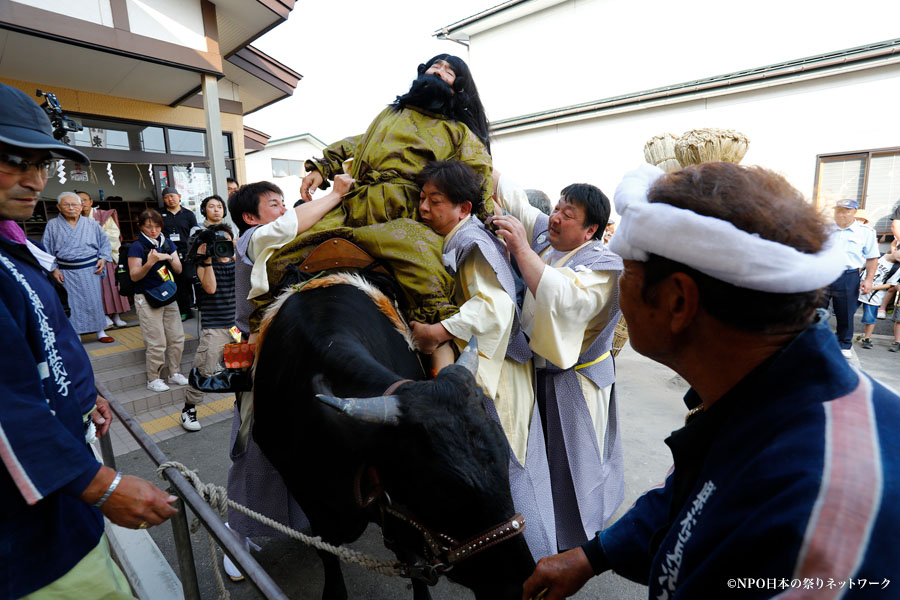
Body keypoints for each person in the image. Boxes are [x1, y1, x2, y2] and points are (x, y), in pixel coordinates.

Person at [522, 162, 900, 600]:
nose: (620, 289)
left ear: (678, 301)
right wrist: (594, 556)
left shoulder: (820, 514)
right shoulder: (756, 397)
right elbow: (698, 496)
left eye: (628, 272)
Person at [0, 80, 178, 599]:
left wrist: (83, 394)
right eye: (16, 160)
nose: (35, 181)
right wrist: (105, 485)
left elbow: (36, 348)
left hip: (62, 498)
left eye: (41, 165)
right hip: (28, 543)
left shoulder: (11, 245)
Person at [258, 55, 494, 332]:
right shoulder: (388, 115)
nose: (439, 71)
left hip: (406, 218)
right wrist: (323, 166)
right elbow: (357, 144)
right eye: (435, 66)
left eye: (449, 71)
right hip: (351, 211)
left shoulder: (459, 133)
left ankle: (440, 359)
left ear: (458, 89)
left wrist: (489, 218)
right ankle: (259, 339)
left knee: (428, 279)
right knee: (279, 258)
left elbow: (479, 175)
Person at [408, 161, 555, 560]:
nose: (423, 207)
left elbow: (494, 307)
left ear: (464, 207)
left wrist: (438, 332)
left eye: (434, 201)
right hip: (496, 361)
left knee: (510, 457)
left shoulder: (471, 243)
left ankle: (531, 559)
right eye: (421, 198)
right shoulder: (461, 237)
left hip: (500, 370)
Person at [222, 175, 353, 580]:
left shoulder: (282, 242)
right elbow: (289, 224)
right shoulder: (252, 240)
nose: (285, 209)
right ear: (249, 217)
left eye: (283, 201)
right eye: (274, 203)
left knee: (306, 440)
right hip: (260, 352)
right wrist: (335, 195)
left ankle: (299, 517)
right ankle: (235, 533)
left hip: (296, 352)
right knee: (256, 442)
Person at [492, 176, 623, 552]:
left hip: (578, 379)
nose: (556, 217)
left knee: (577, 468)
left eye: (569, 213)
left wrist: (519, 249)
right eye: (557, 208)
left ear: (590, 230)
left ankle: (581, 543)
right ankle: (543, 527)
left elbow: (564, 298)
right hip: (539, 370)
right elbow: (515, 199)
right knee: (542, 459)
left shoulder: (603, 265)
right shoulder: (546, 240)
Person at [182, 223, 235, 431]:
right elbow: (210, 288)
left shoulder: (239, 262)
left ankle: (241, 404)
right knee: (204, 369)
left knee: (242, 369)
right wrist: (207, 259)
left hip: (236, 327)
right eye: (219, 242)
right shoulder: (203, 264)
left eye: (227, 241)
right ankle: (189, 408)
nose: (224, 245)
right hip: (215, 328)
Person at [128, 209, 188, 392]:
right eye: (148, 227)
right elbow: (134, 276)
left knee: (177, 337)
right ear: (141, 227)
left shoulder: (168, 243)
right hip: (145, 297)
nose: (153, 230)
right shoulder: (136, 247)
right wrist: (150, 262)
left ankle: (174, 372)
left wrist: (167, 257)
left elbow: (178, 269)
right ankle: (153, 378)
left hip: (168, 295)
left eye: (157, 226)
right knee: (156, 341)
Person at [43, 190, 115, 343]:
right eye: (66, 205)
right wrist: (54, 269)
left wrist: (102, 258)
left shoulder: (91, 223)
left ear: (81, 207)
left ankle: (100, 331)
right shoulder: (53, 225)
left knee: (94, 300)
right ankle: (75, 334)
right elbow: (46, 249)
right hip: (66, 271)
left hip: (90, 270)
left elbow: (104, 243)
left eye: (74, 204)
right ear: (59, 207)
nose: (71, 208)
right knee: (71, 304)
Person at [822, 199, 878, 358]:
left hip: (848, 275)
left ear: (854, 212)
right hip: (823, 273)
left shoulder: (865, 232)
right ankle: (816, 340)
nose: (841, 214)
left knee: (845, 312)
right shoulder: (824, 229)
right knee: (816, 310)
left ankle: (844, 344)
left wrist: (868, 280)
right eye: (838, 210)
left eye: (846, 210)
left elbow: (872, 258)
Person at [78, 189, 130, 328]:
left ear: (91, 202)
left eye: (84, 200)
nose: (81, 203)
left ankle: (117, 315)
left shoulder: (103, 215)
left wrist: (95, 243)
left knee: (113, 287)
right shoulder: (74, 219)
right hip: (88, 260)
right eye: (78, 200)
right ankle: (104, 316)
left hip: (107, 256)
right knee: (98, 290)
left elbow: (113, 235)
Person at [159, 185, 198, 320]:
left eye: (172, 196)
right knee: (172, 281)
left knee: (187, 279)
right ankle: (178, 310)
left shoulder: (188, 214)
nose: (170, 199)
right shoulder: (160, 214)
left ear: (179, 197)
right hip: (168, 253)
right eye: (166, 197)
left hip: (186, 253)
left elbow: (194, 233)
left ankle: (188, 308)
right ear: (163, 200)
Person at [857, 241, 900, 349]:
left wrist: (872, 287)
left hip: (875, 296)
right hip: (857, 290)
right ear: (896, 249)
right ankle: (841, 333)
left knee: (870, 318)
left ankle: (867, 338)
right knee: (847, 313)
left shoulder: (897, 268)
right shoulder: (877, 255)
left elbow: (890, 284)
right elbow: (861, 267)